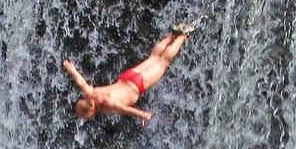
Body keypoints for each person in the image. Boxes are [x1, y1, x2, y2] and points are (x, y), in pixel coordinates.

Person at [63, 23, 199, 123]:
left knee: (163, 62)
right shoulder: (90, 93)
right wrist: (70, 68)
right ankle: (171, 35)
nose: (85, 119)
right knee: (153, 57)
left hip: (137, 85)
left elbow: (123, 108)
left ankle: (183, 35)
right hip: (127, 77)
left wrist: (142, 115)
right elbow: (79, 81)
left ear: (91, 110)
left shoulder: (106, 103)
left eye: (85, 116)